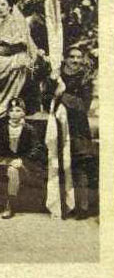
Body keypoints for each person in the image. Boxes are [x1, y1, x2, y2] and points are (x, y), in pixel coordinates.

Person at [52, 46, 97, 219]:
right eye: (72, 57)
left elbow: (83, 105)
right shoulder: (56, 76)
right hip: (57, 126)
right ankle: (62, 206)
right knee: (58, 164)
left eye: (79, 57)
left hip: (77, 128)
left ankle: (82, 207)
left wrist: (61, 95)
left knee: (79, 165)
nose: (76, 61)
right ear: (65, 58)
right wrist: (54, 90)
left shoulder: (85, 79)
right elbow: (46, 98)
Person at [0, 98, 44, 219]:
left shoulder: (29, 129)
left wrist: (22, 160)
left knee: (12, 170)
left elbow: (37, 149)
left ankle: (10, 206)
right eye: (11, 111)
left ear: (23, 113)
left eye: (18, 110)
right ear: (8, 113)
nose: (14, 114)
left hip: (25, 163)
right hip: (7, 160)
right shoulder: (3, 128)